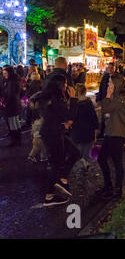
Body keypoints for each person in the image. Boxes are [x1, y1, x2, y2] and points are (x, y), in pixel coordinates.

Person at [39, 74, 80, 206]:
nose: (67, 86)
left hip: (55, 131)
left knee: (75, 153)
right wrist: (74, 99)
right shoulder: (56, 98)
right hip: (53, 134)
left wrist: (67, 121)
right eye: (65, 84)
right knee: (56, 164)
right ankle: (49, 196)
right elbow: (69, 116)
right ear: (60, 85)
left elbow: (64, 117)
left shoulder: (51, 96)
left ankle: (62, 177)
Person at [98, 74, 125, 200]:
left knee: (116, 161)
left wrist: (108, 96)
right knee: (103, 158)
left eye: (110, 83)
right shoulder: (120, 97)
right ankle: (109, 186)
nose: (108, 85)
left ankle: (117, 189)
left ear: (116, 84)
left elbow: (105, 108)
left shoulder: (120, 98)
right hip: (112, 132)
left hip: (117, 133)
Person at [71, 83, 99, 171]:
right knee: (88, 145)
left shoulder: (74, 103)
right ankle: (84, 160)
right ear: (85, 91)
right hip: (88, 128)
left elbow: (71, 116)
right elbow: (93, 115)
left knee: (79, 145)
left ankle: (82, 161)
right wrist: (96, 126)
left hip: (77, 129)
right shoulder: (88, 102)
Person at [2, 67, 22, 147]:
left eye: (6, 73)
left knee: (13, 122)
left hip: (12, 105)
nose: (4, 75)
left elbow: (11, 94)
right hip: (15, 104)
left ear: (10, 73)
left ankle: (15, 140)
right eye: (3, 74)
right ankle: (18, 139)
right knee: (15, 121)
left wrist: (5, 103)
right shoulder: (14, 80)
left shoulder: (11, 82)